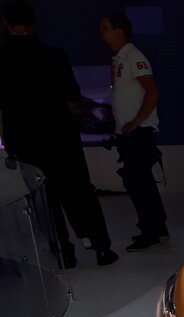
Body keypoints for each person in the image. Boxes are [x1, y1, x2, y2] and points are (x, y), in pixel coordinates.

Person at [0, 0, 118, 267]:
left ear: (6, 24)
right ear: (33, 24)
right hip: (60, 135)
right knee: (79, 191)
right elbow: (73, 94)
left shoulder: (2, 58)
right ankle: (101, 247)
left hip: (24, 140)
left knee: (44, 199)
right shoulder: (54, 54)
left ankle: (63, 252)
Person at [100, 12, 168, 252]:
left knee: (137, 182)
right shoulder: (120, 59)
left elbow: (153, 92)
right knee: (142, 181)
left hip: (139, 132)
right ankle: (157, 226)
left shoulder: (133, 56)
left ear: (119, 31)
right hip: (130, 132)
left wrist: (137, 121)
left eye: (105, 28)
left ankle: (150, 230)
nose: (101, 33)